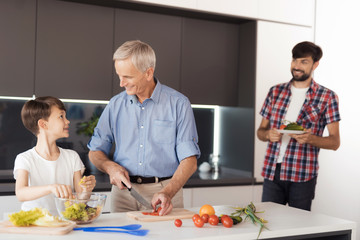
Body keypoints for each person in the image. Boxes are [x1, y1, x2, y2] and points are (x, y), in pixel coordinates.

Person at [88, 40, 200, 216]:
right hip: (123, 192)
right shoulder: (116, 104)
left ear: (148, 73)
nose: (121, 83)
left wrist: (167, 192)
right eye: (119, 76)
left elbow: (190, 161)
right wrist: (111, 167)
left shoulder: (178, 104)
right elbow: (95, 151)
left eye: (128, 77)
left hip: (165, 192)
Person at [256, 41, 340, 211]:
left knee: (299, 231)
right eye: (295, 60)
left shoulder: (327, 97)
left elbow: (334, 142)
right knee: (268, 227)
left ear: (315, 64)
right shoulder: (275, 92)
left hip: (303, 175)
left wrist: (310, 139)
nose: (297, 66)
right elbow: (260, 132)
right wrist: (268, 135)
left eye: (304, 62)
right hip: (273, 172)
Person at [14, 96, 96, 216]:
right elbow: (21, 193)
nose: (67, 121)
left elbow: (80, 200)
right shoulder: (25, 158)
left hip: (63, 221)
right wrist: (50, 188)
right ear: (43, 124)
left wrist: (86, 191)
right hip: (34, 223)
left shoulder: (72, 157)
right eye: (61, 116)